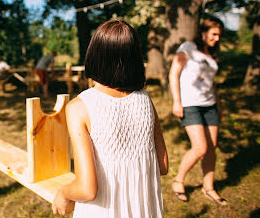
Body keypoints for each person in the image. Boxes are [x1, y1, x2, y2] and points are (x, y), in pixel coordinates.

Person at [52, 19, 168, 217]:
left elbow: (87, 189)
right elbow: (163, 165)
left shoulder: (79, 107)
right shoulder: (146, 100)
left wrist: (62, 193)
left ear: (94, 55)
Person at [169, 17, 227, 205]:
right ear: (203, 33)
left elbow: (211, 85)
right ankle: (178, 180)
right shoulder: (188, 48)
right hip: (190, 104)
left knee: (212, 148)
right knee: (200, 147)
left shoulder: (211, 54)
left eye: (219, 35)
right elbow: (174, 73)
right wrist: (177, 101)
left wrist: (218, 106)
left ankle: (208, 187)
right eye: (214, 34)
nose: (217, 38)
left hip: (209, 105)